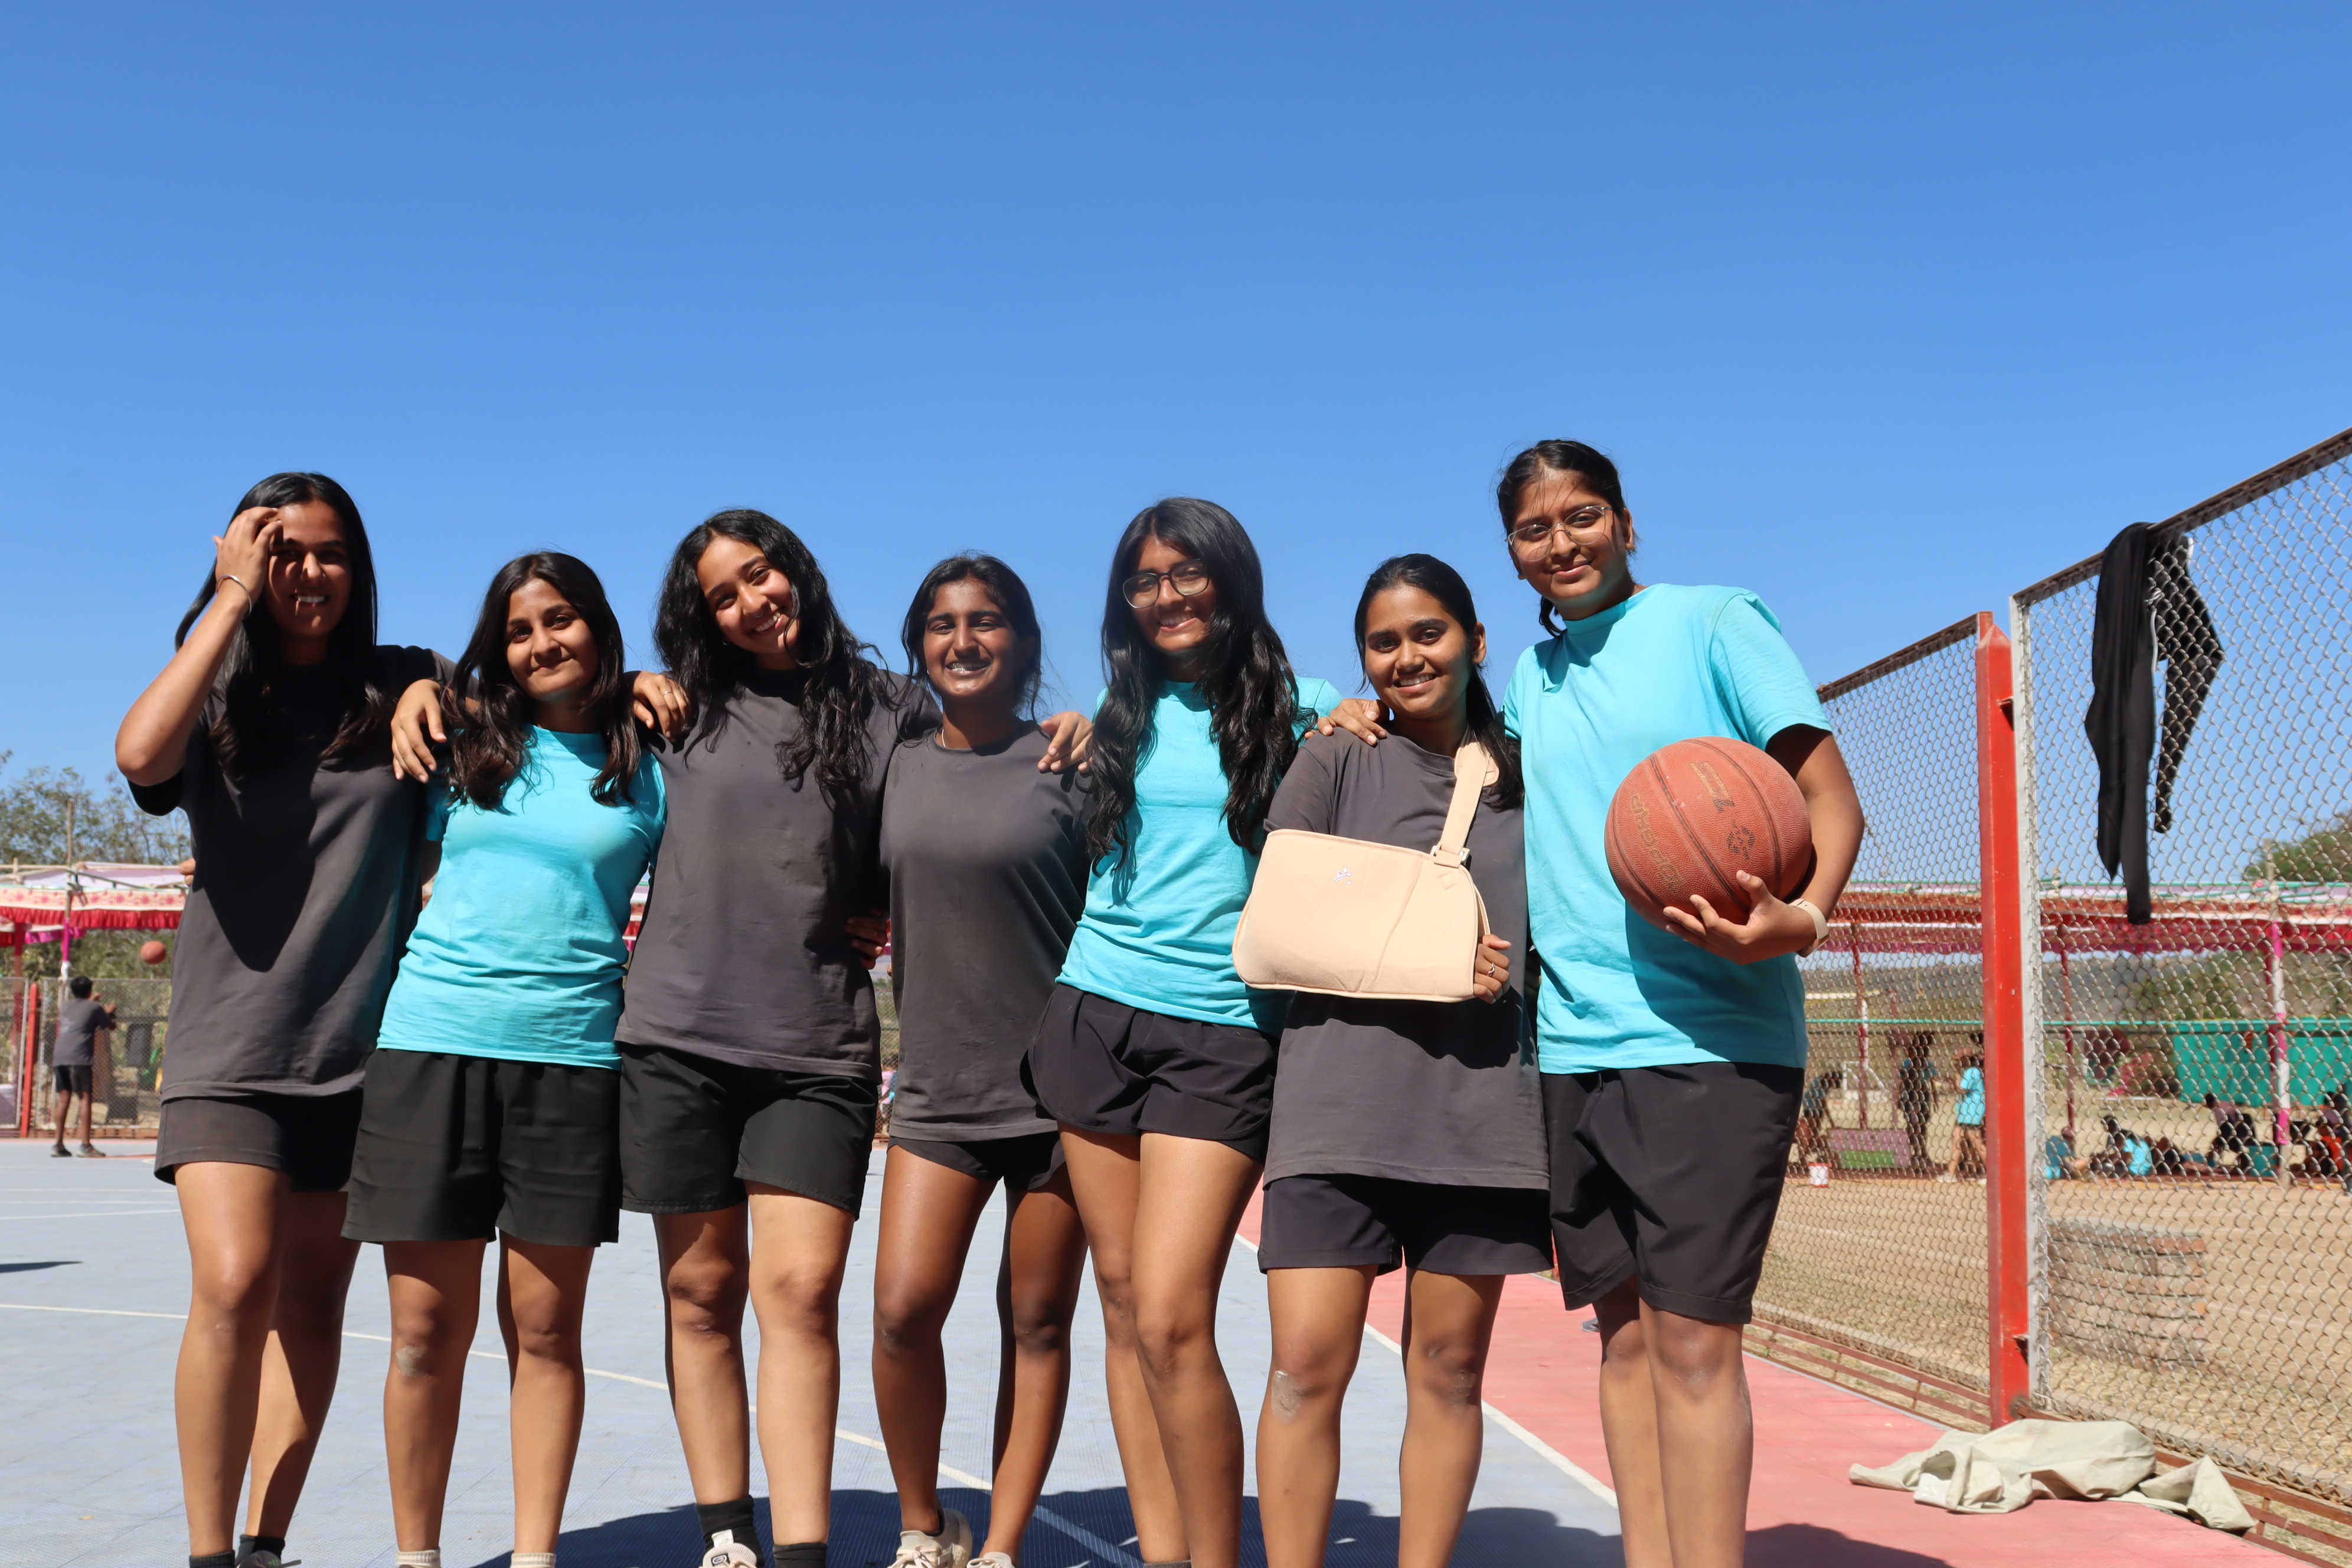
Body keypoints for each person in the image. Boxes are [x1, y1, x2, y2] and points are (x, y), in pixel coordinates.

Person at [1492, 441, 1866, 1568]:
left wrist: (1801, 918)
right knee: (1620, 1341)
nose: (1560, 542)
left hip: (1710, 1041)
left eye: (1581, 515)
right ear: (1511, 552)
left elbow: (1830, 800)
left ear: (1624, 521)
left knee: (1695, 1346)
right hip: (1572, 1044)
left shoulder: (1714, 622)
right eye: (1532, 528)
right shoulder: (1527, 680)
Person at [116, 473, 447, 1568]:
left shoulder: (405, 679)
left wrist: (632, 681)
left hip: (364, 1053)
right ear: (249, 560)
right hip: (233, 1046)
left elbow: (543, 704)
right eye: (284, 551)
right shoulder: (217, 683)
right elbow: (138, 757)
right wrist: (227, 598)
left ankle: (265, 1541)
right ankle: (207, 1554)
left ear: (360, 568)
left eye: (330, 552)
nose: (309, 572)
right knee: (232, 1284)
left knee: (309, 1307)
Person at [1024, 498, 1343, 1568]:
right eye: (1144, 580)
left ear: (1229, 578)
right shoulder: (1112, 717)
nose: (1166, 596)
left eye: (1186, 573)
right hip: (1092, 1012)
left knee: (1169, 1314)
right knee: (1121, 1308)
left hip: (1225, 1031)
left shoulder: (1310, 712)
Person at [343, 551, 665, 1568]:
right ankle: (418, 1557)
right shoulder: (461, 745)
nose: (541, 643)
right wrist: (421, 690)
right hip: (432, 1050)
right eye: (519, 631)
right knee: (421, 1336)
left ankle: (535, 1556)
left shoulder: (652, 767)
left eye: (560, 619)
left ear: (598, 626)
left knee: (547, 1331)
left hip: (573, 1064)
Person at [1250, 555, 1548, 1568]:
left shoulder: (1527, 776)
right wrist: (1433, 948)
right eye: (1383, 642)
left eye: (1428, 633)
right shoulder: (1337, 753)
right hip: (1336, 1109)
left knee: (1450, 1373)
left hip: (1482, 1115)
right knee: (1302, 1370)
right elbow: (1286, 914)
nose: (1406, 656)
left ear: (1474, 640)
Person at [864, 556, 1092, 1568]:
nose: (963, 640)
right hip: (937, 1094)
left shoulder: (1073, 763)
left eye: (986, 620)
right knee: (902, 1313)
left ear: (1025, 642)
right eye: (942, 624)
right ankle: (925, 1528)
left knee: (1036, 1322)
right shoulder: (895, 766)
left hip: (1061, 1097)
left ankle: (999, 1546)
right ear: (920, 645)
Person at [50, 975, 117, 1158]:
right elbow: (111, 1026)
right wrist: (110, 1013)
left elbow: (81, 1015)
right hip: (79, 1057)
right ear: (89, 990)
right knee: (85, 1098)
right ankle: (86, 1146)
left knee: (64, 1099)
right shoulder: (94, 1008)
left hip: (60, 1056)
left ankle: (58, 1145)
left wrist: (91, 1001)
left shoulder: (64, 1007)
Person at [1895, 1035, 1937, 1175]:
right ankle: (1916, 1152)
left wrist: (1935, 1098)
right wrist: (1900, 1097)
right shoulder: (1908, 1064)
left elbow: (1931, 1081)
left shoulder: (1925, 1064)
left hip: (1922, 1097)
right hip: (1911, 1097)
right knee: (1913, 1125)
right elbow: (1903, 1082)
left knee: (1921, 1126)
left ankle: (1921, 1151)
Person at [1793, 1070, 1842, 1167]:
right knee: (1809, 1132)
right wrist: (1831, 1121)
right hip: (1811, 1108)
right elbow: (1823, 1103)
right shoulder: (1819, 1084)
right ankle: (1804, 1156)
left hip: (1817, 1109)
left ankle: (1808, 1154)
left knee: (1814, 1132)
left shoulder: (1825, 1084)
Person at [1952, 1050, 1987, 1181]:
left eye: (1960, 1059)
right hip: (1965, 1112)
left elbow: (1961, 1089)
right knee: (1958, 1140)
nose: (1958, 1062)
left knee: (1976, 1142)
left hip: (1972, 1112)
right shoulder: (1969, 1072)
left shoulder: (1972, 1071)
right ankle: (1952, 1172)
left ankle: (1990, 1171)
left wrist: (1956, 1075)